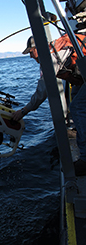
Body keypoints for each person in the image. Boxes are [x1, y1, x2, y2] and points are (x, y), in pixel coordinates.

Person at [12, 36, 86, 176]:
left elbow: (43, 90)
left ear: (37, 49)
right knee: (76, 96)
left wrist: (24, 110)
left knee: (77, 107)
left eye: (30, 52)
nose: (30, 56)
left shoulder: (51, 57)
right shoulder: (55, 52)